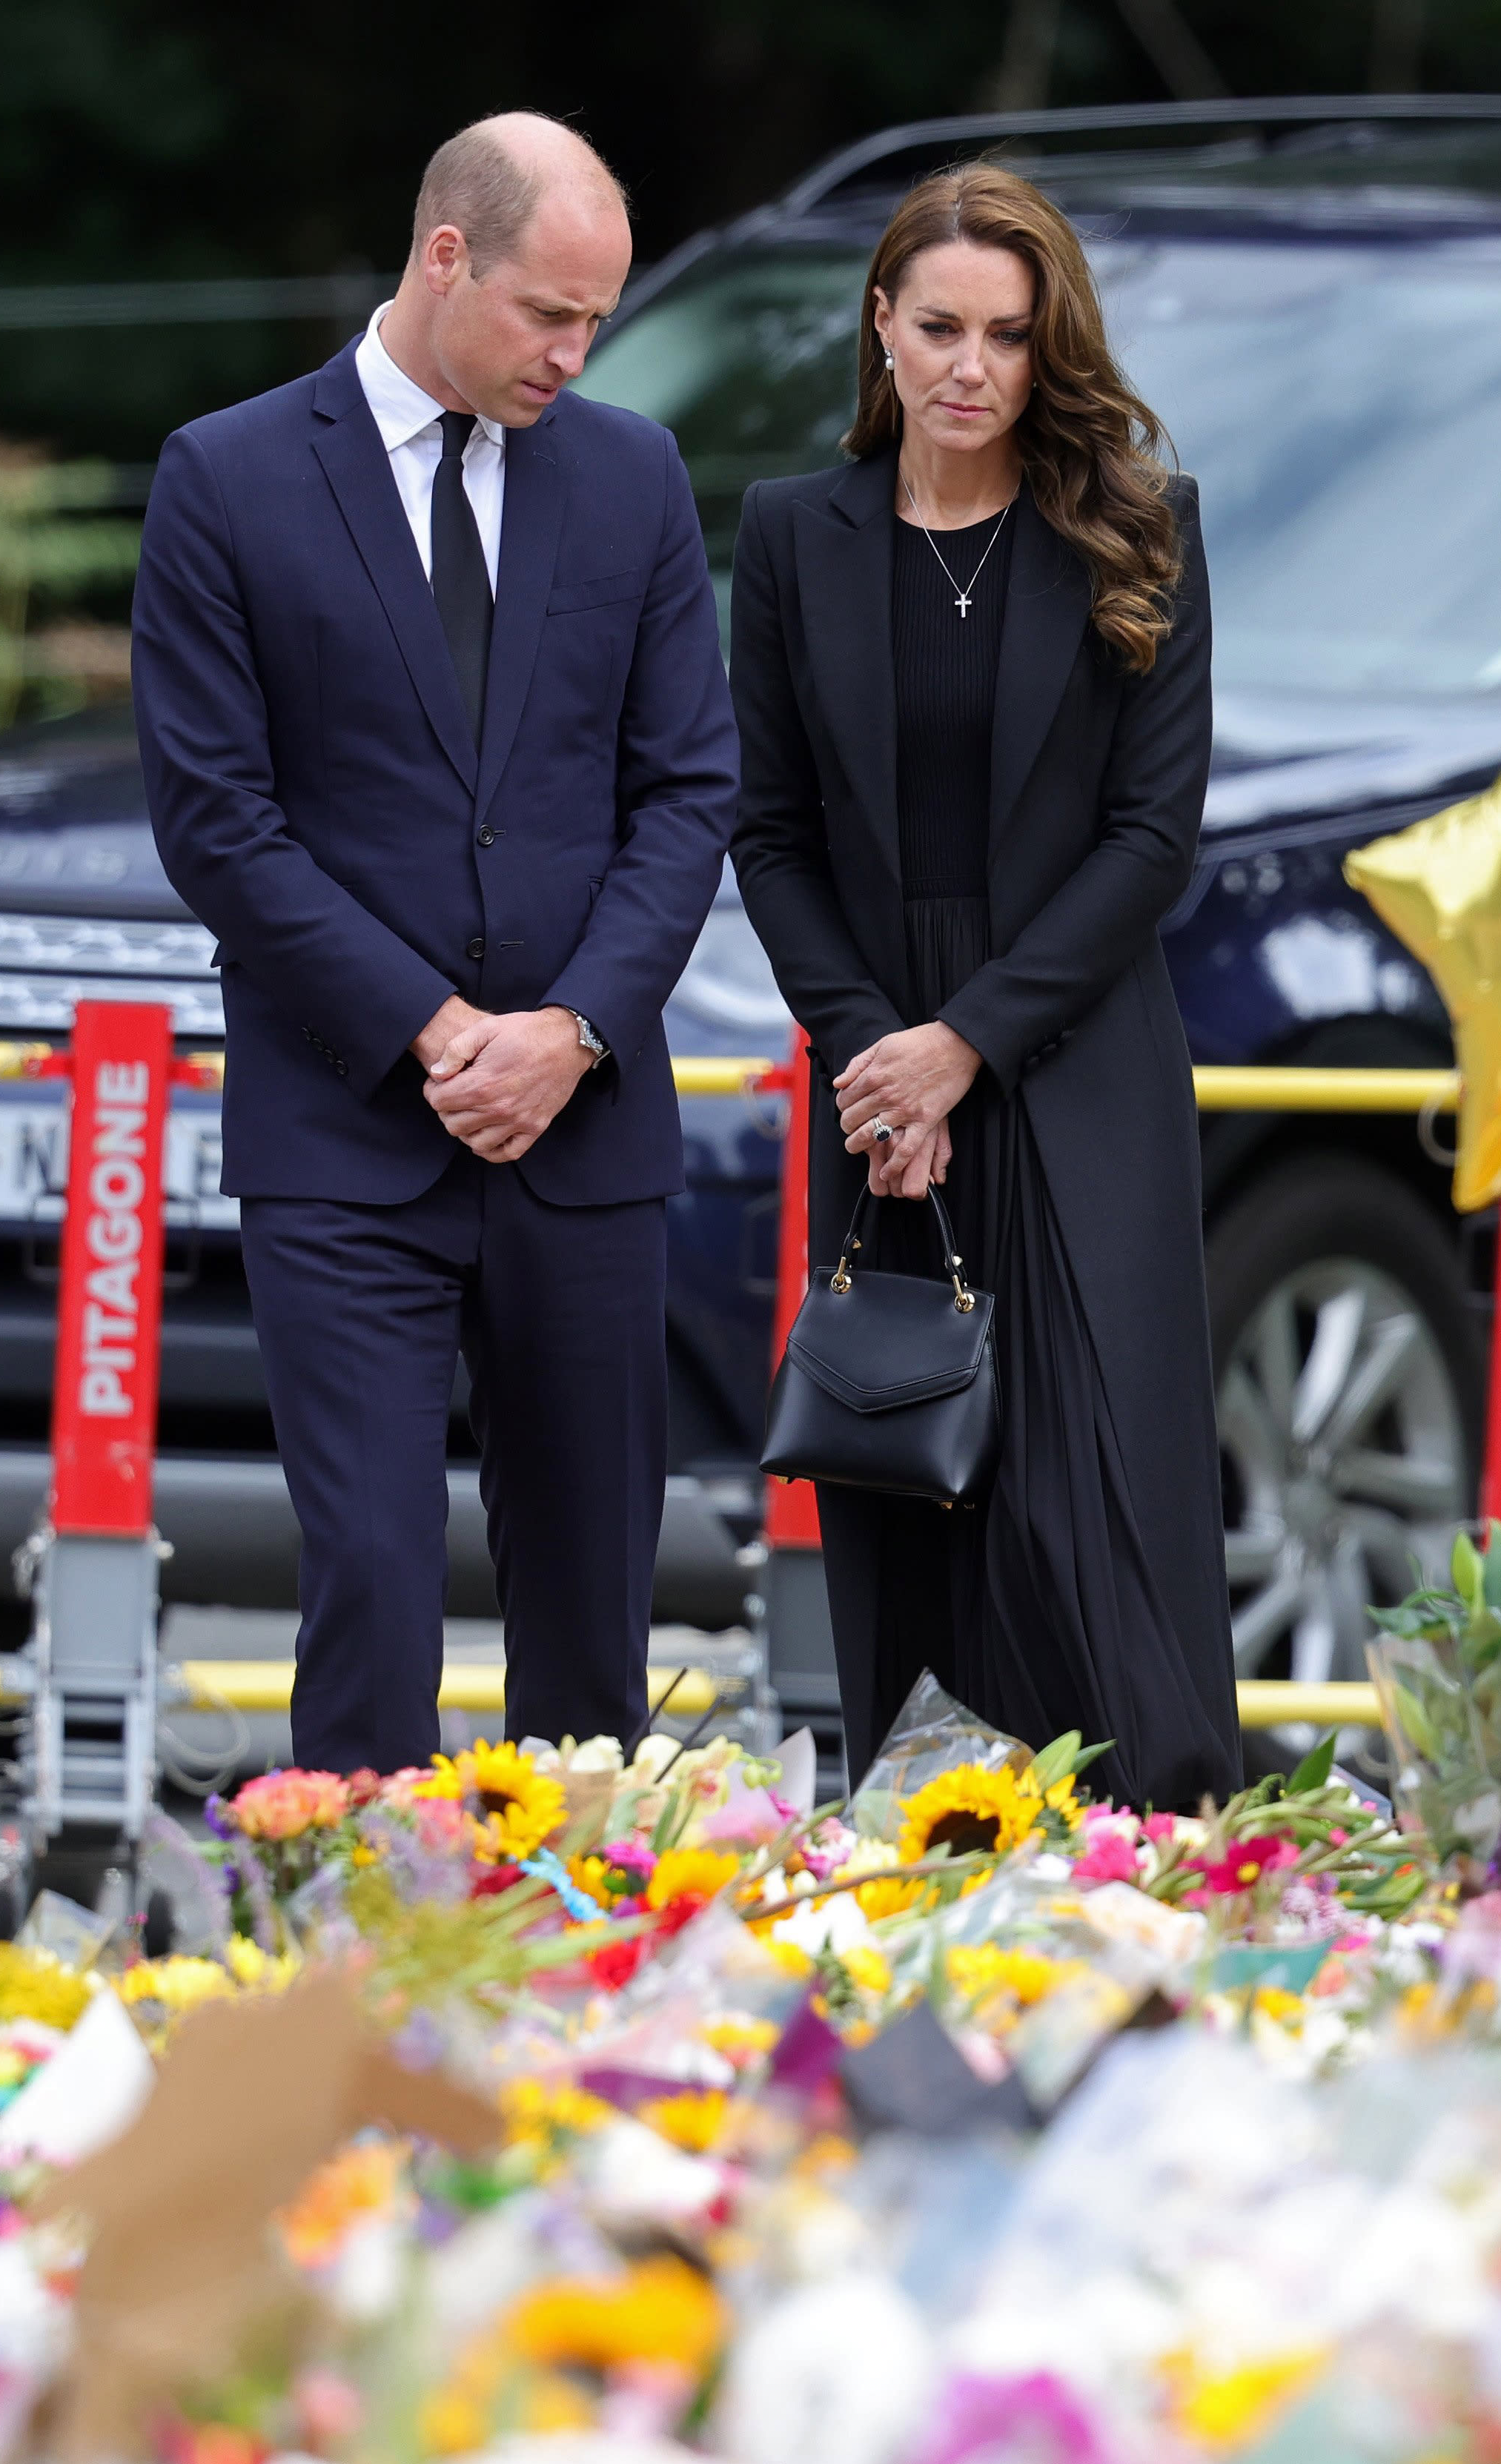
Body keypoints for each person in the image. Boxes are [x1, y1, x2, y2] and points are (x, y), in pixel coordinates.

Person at [129, 113, 735, 1772]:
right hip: (345, 1135)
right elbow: (217, 821)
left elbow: (689, 792)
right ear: (445, 256)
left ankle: (592, 1978)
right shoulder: (228, 476)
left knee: (597, 1610)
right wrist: (435, 1031)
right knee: (378, 1584)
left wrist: (573, 1031)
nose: (575, 352)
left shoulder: (633, 476)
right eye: (551, 312)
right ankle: (362, 1960)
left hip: (586, 1129)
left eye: (598, 321)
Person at [728, 162, 1239, 1810]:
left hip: (1070, 1057)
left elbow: (1152, 839)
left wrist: (969, 1043)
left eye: (1007, 336)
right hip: (884, 1076)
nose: (970, 365)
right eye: (938, 325)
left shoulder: (1135, 529)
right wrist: (877, 1049)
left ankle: (1157, 1855)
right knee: (912, 1477)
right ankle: (931, 1855)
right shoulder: (794, 537)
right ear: (881, 326)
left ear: (1046, 348)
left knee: (1103, 1510)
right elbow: (772, 827)